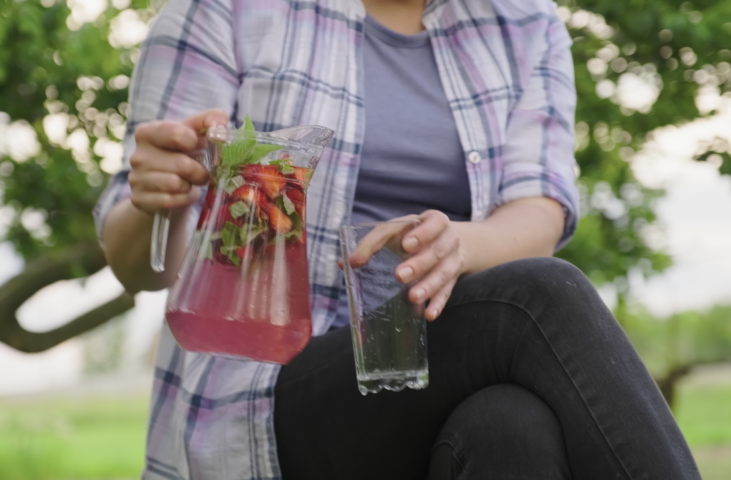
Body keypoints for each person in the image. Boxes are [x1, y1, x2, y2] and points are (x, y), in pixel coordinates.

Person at [94, 0, 702, 479]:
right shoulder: (227, 8)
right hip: (269, 387)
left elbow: (538, 205)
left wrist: (462, 243)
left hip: (435, 364)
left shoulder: (524, 19)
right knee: (540, 297)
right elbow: (138, 270)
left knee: (510, 429)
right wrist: (159, 201)